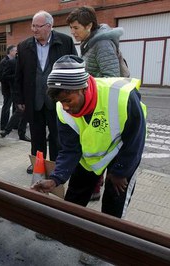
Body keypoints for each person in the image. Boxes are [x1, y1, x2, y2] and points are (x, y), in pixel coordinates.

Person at [31, 55, 146, 263]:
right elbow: (69, 149)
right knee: (76, 194)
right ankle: (64, 229)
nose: (64, 106)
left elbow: (136, 138)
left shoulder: (121, 96)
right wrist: (56, 179)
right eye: (60, 101)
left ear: (82, 88)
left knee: (113, 203)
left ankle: (104, 247)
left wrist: (120, 171)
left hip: (121, 154)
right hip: (90, 157)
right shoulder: (62, 109)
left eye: (67, 100)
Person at [67, 6, 125, 201]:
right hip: (95, 106)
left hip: (104, 109)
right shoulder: (90, 43)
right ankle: (95, 186)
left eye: (76, 28)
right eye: (71, 28)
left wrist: (87, 91)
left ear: (89, 25)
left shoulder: (102, 44)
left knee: (100, 152)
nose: (72, 32)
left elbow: (112, 80)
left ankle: (95, 187)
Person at [13, 10, 77, 174]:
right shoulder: (24, 46)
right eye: (33, 26)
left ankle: (57, 166)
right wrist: (19, 99)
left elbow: (74, 69)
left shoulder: (65, 42)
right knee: (36, 135)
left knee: (57, 135)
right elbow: (18, 75)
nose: (34, 29)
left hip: (58, 100)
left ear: (49, 26)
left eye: (38, 26)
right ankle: (38, 164)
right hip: (33, 99)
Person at [0, 45, 30, 141]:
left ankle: (19, 132)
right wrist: (16, 77)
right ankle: (7, 130)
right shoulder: (11, 62)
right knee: (19, 110)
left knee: (24, 111)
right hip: (15, 91)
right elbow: (4, 76)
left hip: (26, 90)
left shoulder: (27, 62)